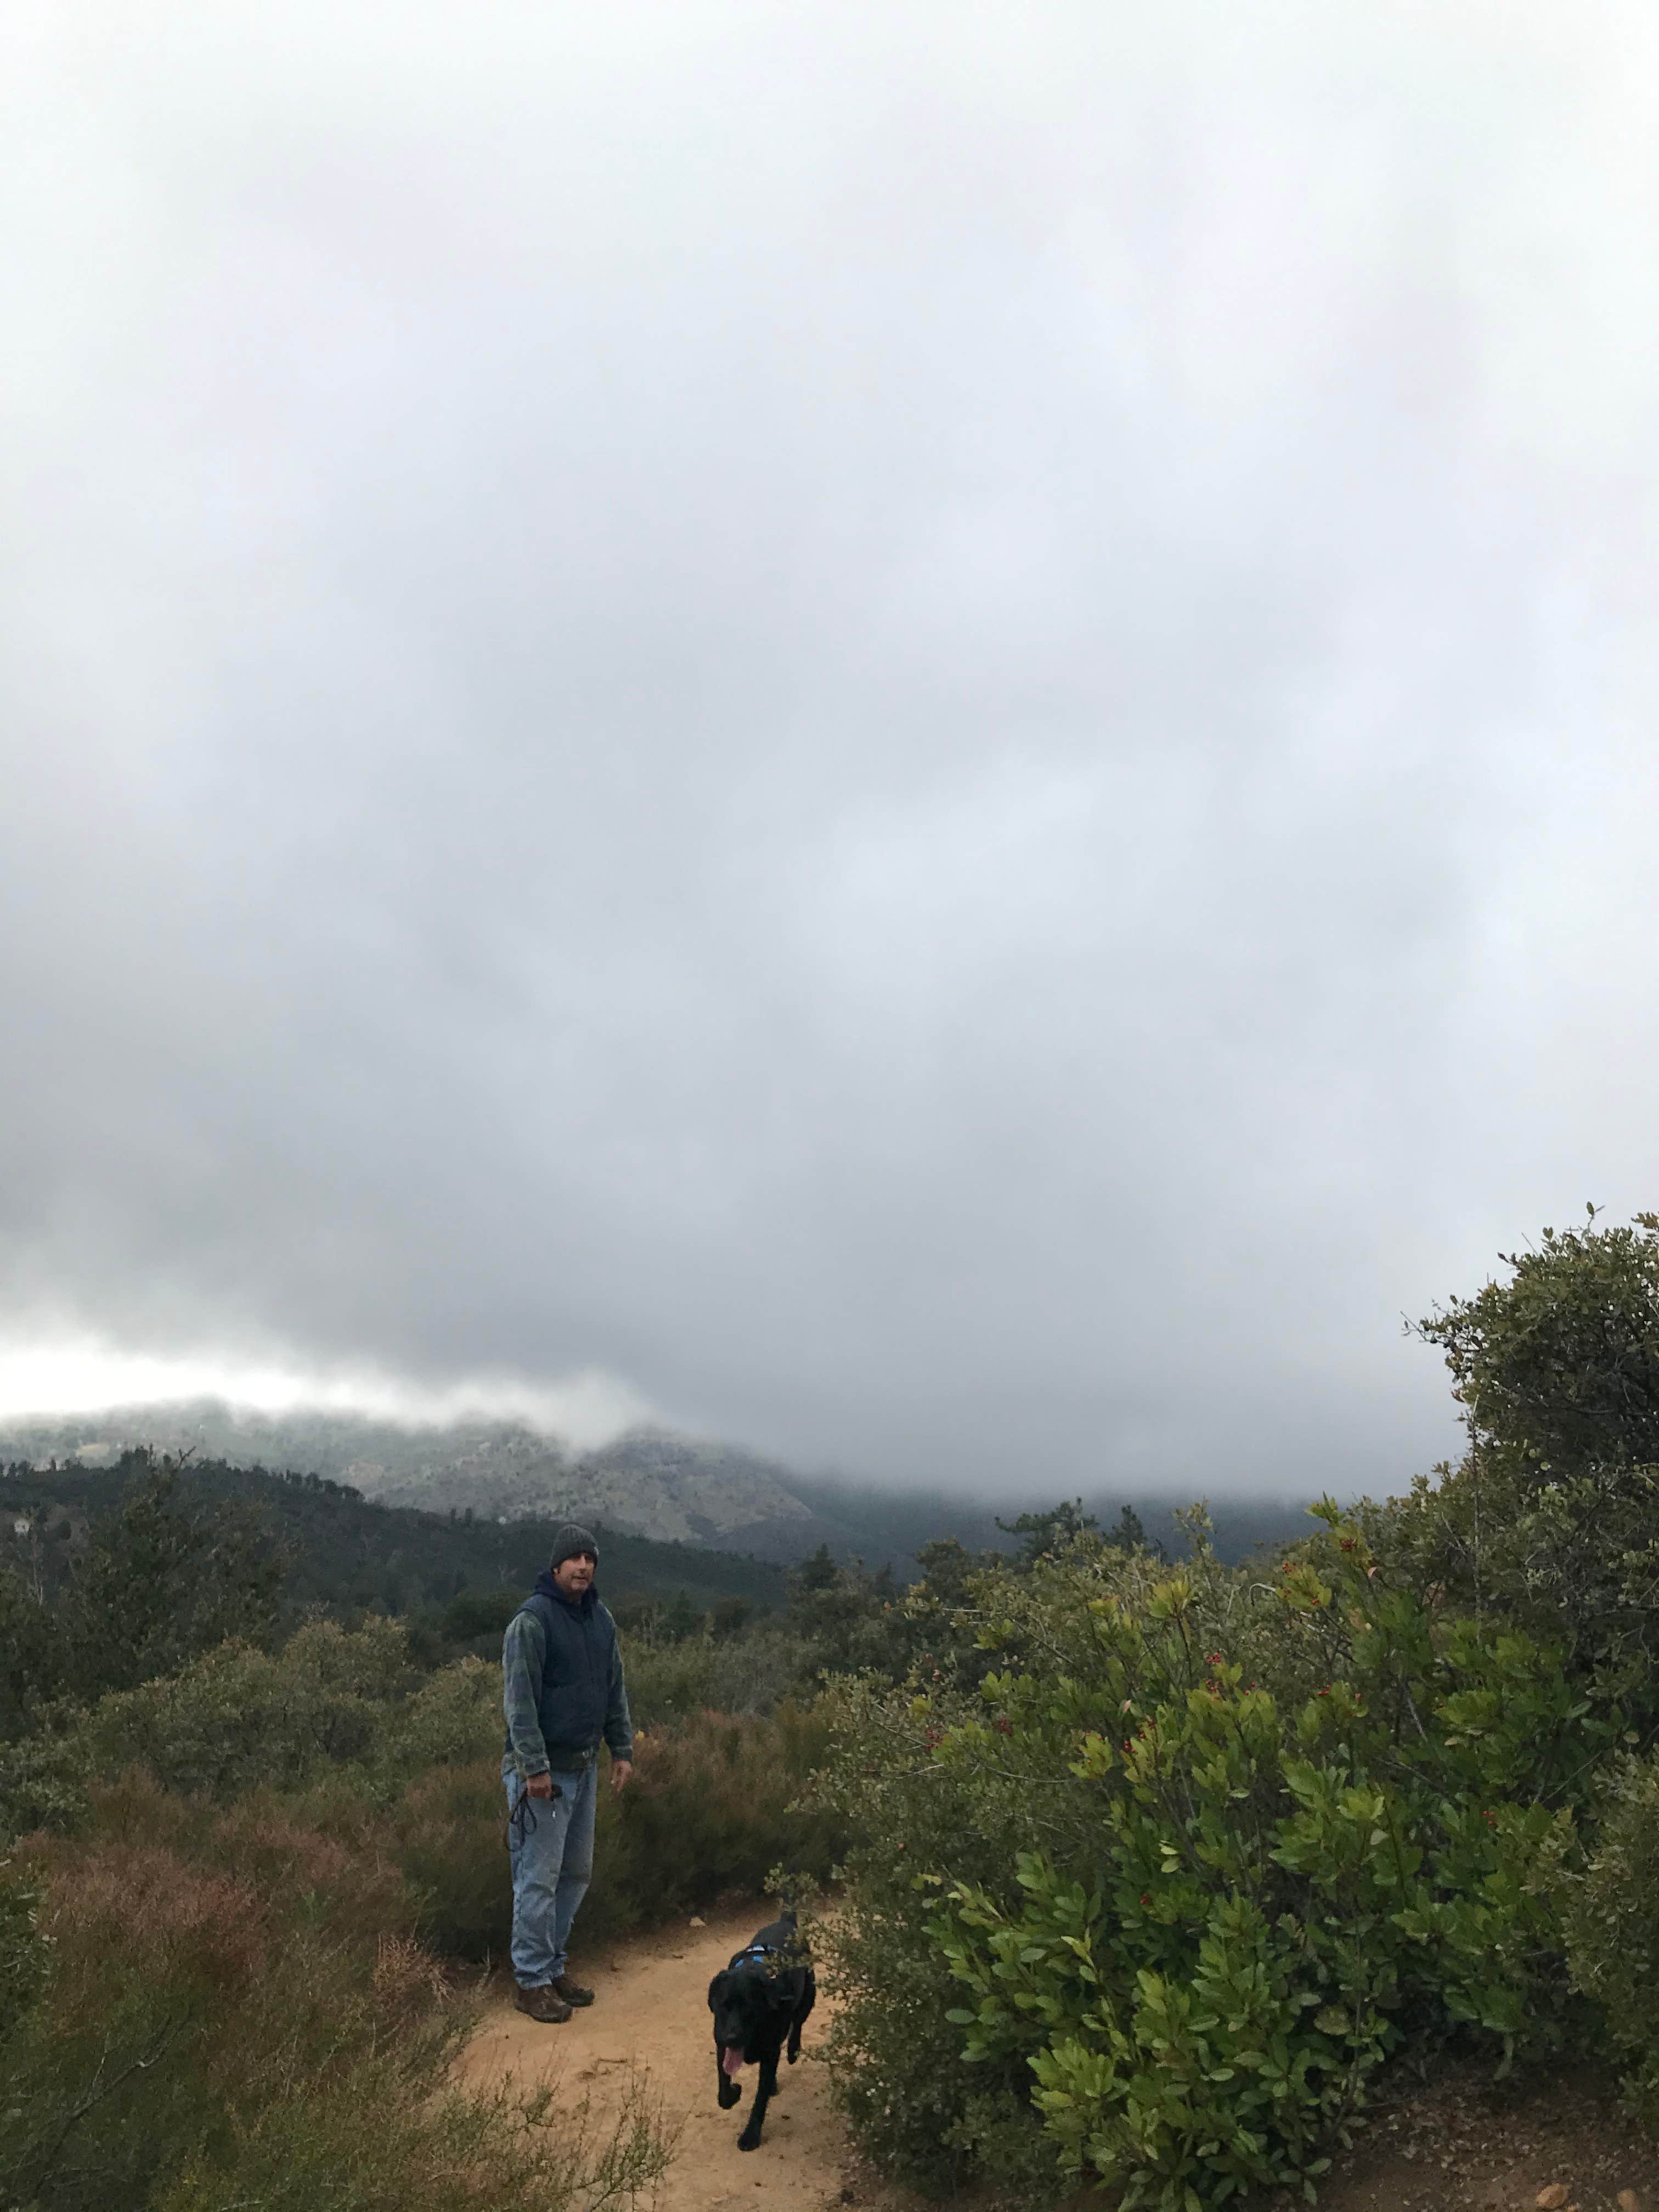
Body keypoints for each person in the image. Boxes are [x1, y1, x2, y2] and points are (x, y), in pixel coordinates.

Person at [501, 1523, 633, 2022]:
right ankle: (531, 1981)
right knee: (537, 1878)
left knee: (575, 1873)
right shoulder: (531, 1622)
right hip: (545, 1776)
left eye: (590, 1558)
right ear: (556, 1566)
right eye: (574, 1558)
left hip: (584, 1768)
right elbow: (519, 1705)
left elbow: (613, 1688)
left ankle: (554, 1967)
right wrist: (533, 1768)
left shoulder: (601, 1620)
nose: (583, 1566)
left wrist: (621, 1748)